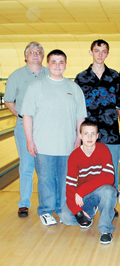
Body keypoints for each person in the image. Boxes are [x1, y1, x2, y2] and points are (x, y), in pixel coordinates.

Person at [21, 49, 87, 226]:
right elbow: (27, 115)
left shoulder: (73, 88)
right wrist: (29, 140)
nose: (58, 65)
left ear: (66, 64)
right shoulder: (36, 86)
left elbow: (81, 116)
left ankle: (61, 209)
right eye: (54, 62)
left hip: (67, 145)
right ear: (47, 64)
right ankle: (45, 210)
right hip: (43, 145)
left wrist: (78, 138)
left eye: (61, 62)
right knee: (46, 180)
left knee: (66, 180)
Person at [74, 39, 120, 217]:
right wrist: (78, 135)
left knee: (111, 170)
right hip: (88, 134)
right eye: (97, 50)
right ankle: (90, 202)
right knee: (89, 171)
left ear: (107, 54)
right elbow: (77, 109)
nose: (100, 54)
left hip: (110, 133)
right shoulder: (81, 78)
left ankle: (110, 205)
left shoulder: (115, 76)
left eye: (103, 51)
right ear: (91, 52)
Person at [4, 42, 49, 218]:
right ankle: (24, 204)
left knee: (45, 167)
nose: (35, 54)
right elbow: (8, 100)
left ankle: (47, 202)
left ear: (43, 56)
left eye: (38, 52)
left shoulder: (49, 73)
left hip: (46, 126)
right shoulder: (16, 75)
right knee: (26, 166)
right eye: (31, 52)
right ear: (26, 56)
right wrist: (22, 116)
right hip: (24, 127)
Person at [60, 120, 117, 245]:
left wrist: (81, 190)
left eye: (93, 134)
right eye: (86, 134)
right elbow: (70, 187)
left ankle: (105, 230)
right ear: (80, 135)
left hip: (100, 191)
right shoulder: (74, 156)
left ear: (97, 136)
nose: (89, 137)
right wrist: (77, 211)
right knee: (66, 217)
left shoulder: (103, 149)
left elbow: (109, 178)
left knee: (109, 191)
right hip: (84, 197)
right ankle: (89, 214)